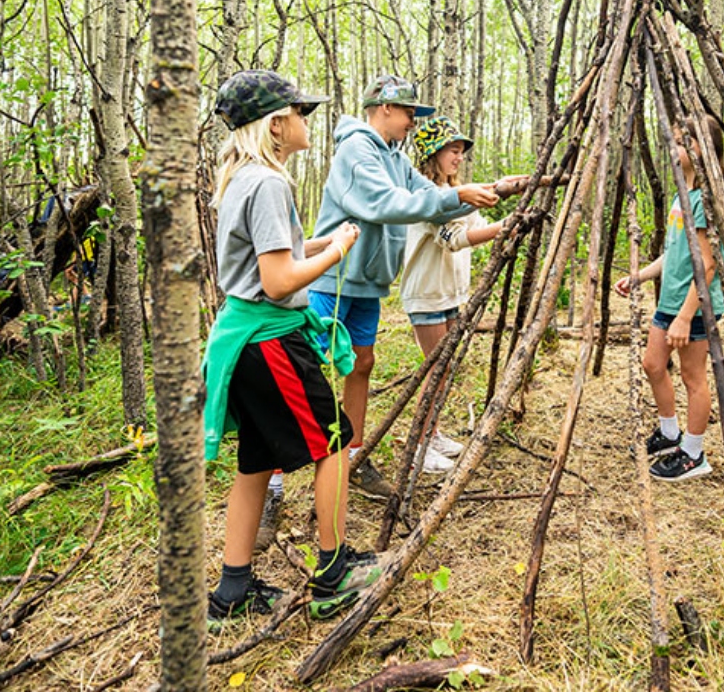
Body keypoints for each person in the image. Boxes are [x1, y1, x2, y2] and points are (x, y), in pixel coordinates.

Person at [199, 70, 384, 624]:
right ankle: (333, 574)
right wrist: (340, 249)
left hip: (243, 340)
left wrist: (322, 241)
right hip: (270, 340)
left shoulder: (242, 179)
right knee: (333, 444)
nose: (307, 120)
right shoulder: (271, 184)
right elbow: (279, 281)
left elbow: (273, 253)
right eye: (300, 113)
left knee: (256, 463)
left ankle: (232, 589)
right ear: (277, 125)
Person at [305, 75, 525, 499]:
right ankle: (276, 479)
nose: (412, 121)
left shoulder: (395, 157)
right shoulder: (356, 150)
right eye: (408, 112)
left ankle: (353, 457)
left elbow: (431, 197)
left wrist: (496, 189)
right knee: (306, 369)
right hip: (334, 276)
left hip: (369, 282)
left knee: (361, 365)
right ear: (385, 108)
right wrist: (456, 194)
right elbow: (387, 204)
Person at [613, 120, 724, 483]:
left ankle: (694, 454)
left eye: (680, 143)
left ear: (700, 149)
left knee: (694, 377)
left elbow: (707, 265)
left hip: (693, 304)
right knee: (652, 364)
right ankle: (670, 432)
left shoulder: (704, 201)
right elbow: (673, 253)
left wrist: (685, 316)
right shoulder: (682, 194)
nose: (673, 150)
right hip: (671, 299)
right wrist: (640, 277)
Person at [396, 116, 507, 475]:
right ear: (434, 154)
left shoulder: (457, 195)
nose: (459, 158)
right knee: (435, 370)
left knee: (444, 370)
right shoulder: (425, 198)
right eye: (452, 151)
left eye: (461, 151)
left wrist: (499, 212)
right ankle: (420, 446)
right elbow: (454, 239)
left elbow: (472, 226)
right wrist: (503, 228)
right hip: (426, 293)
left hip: (448, 293)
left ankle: (434, 432)